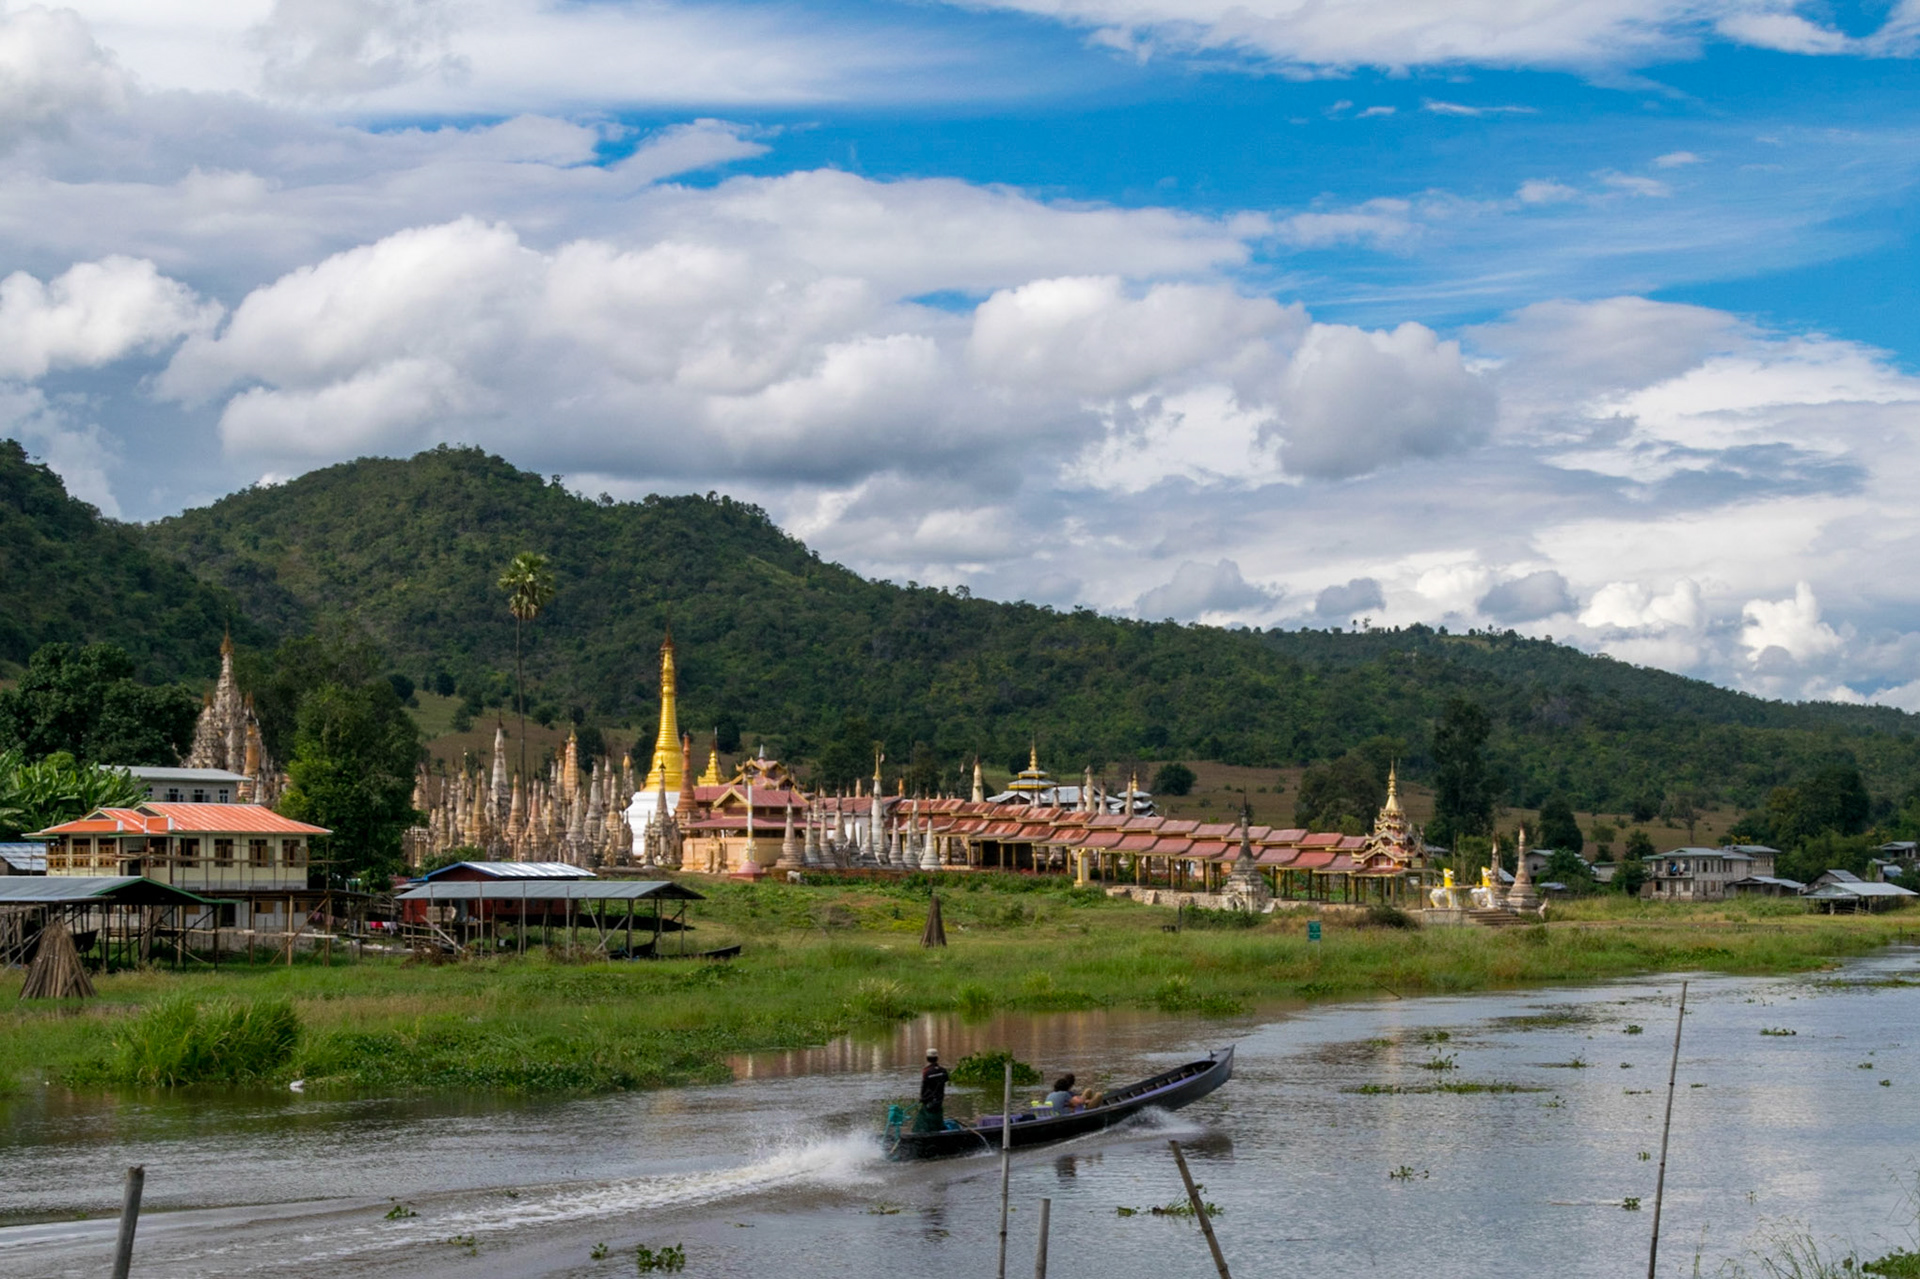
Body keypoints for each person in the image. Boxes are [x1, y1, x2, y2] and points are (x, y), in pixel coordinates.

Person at [915, 1049, 950, 1133]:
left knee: (927, 1121)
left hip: (929, 1101)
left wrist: (923, 1098)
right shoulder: (943, 1070)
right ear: (937, 1058)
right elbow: (945, 1080)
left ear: (927, 1058)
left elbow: (924, 1086)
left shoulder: (926, 1071)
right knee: (937, 1118)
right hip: (939, 1100)